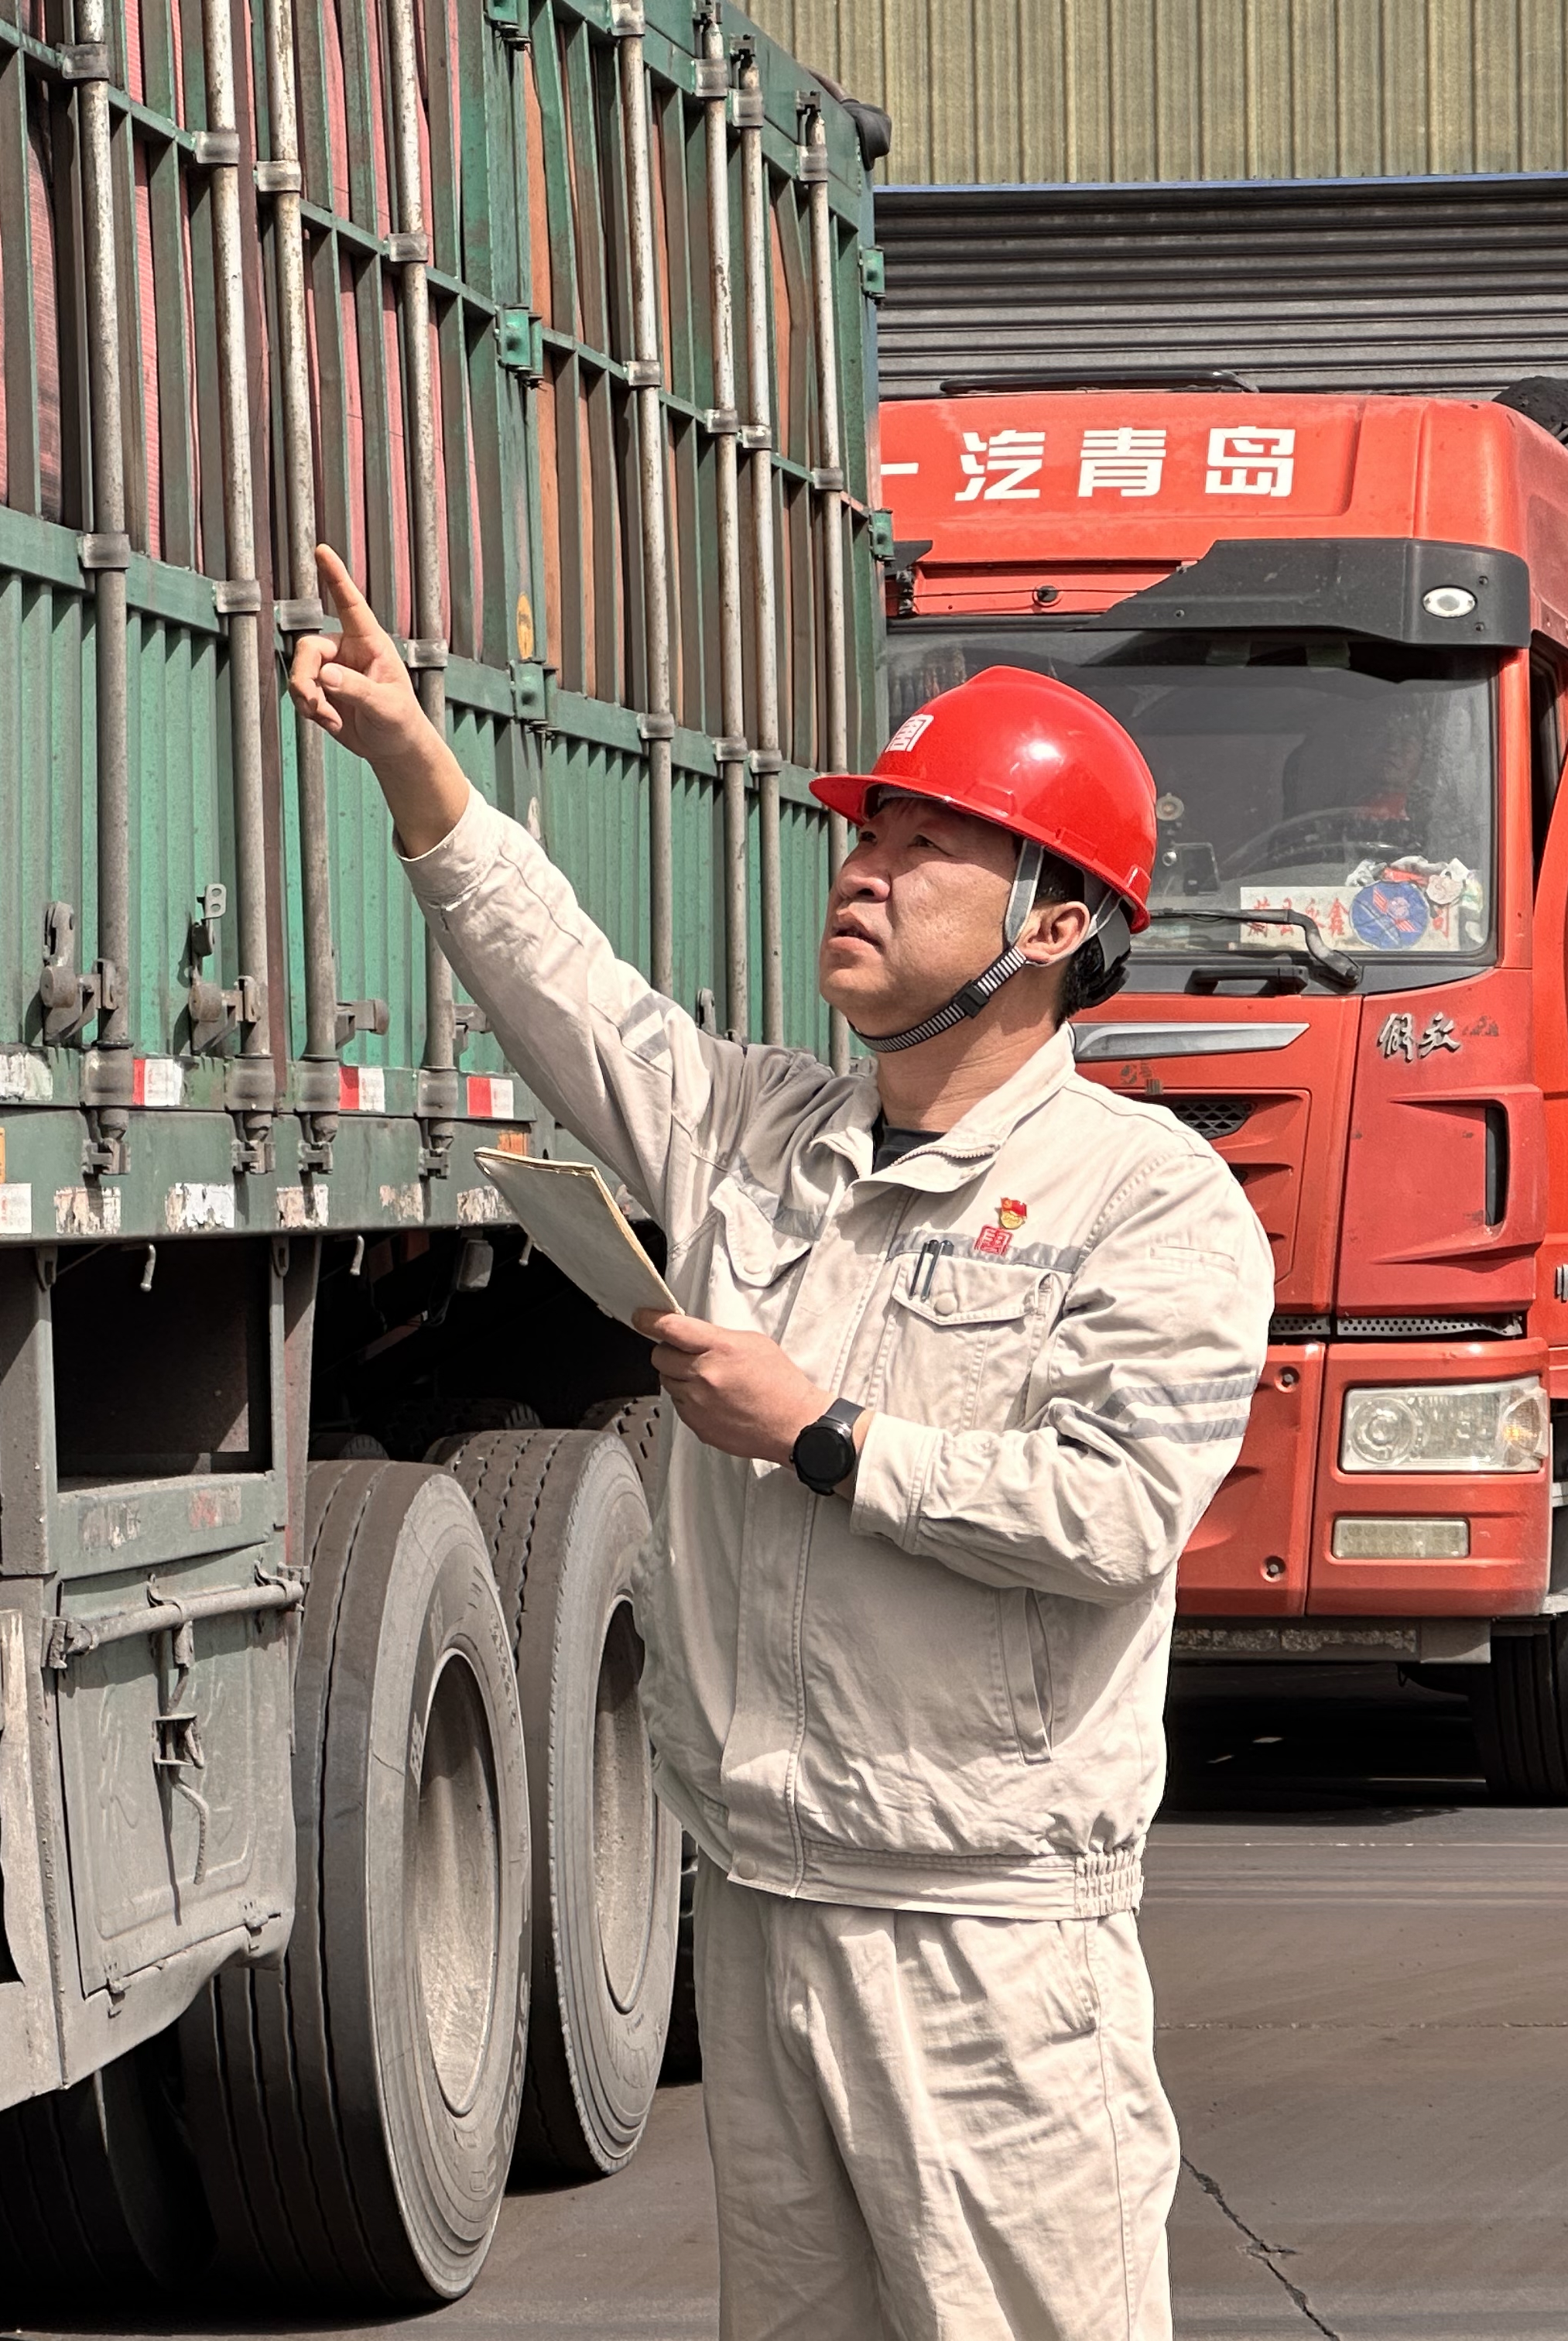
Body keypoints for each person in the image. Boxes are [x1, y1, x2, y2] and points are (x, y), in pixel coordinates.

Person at [289, 544, 1274, 2340]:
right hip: (761, 1900)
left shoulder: (1153, 1206)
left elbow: (1117, 1514)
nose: (866, 868)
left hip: (984, 1938)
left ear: (1056, 926)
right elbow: (567, 990)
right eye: (866, 832)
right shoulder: (763, 1137)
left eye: (925, 846)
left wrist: (825, 1433)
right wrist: (417, 770)